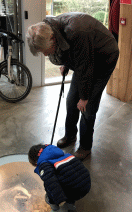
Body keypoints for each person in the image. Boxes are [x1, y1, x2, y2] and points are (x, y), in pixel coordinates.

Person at [27, 12, 119, 160]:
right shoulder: (51, 29)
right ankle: (70, 136)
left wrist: (84, 97)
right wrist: (66, 63)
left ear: (51, 39)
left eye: (44, 51)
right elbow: (70, 48)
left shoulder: (78, 32)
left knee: (87, 107)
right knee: (71, 101)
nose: (45, 55)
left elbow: (85, 66)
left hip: (104, 58)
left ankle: (85, 147)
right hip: (86, 56)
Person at [28, 143, 91, 211]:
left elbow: (50, 182)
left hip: (73, 191)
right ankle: (70, 204)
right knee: (70, 180)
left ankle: (54, 205)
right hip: (87, 185)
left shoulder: (44, 164)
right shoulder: (67, 155)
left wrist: (59, 200)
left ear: (35, 163)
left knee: (48, 185)